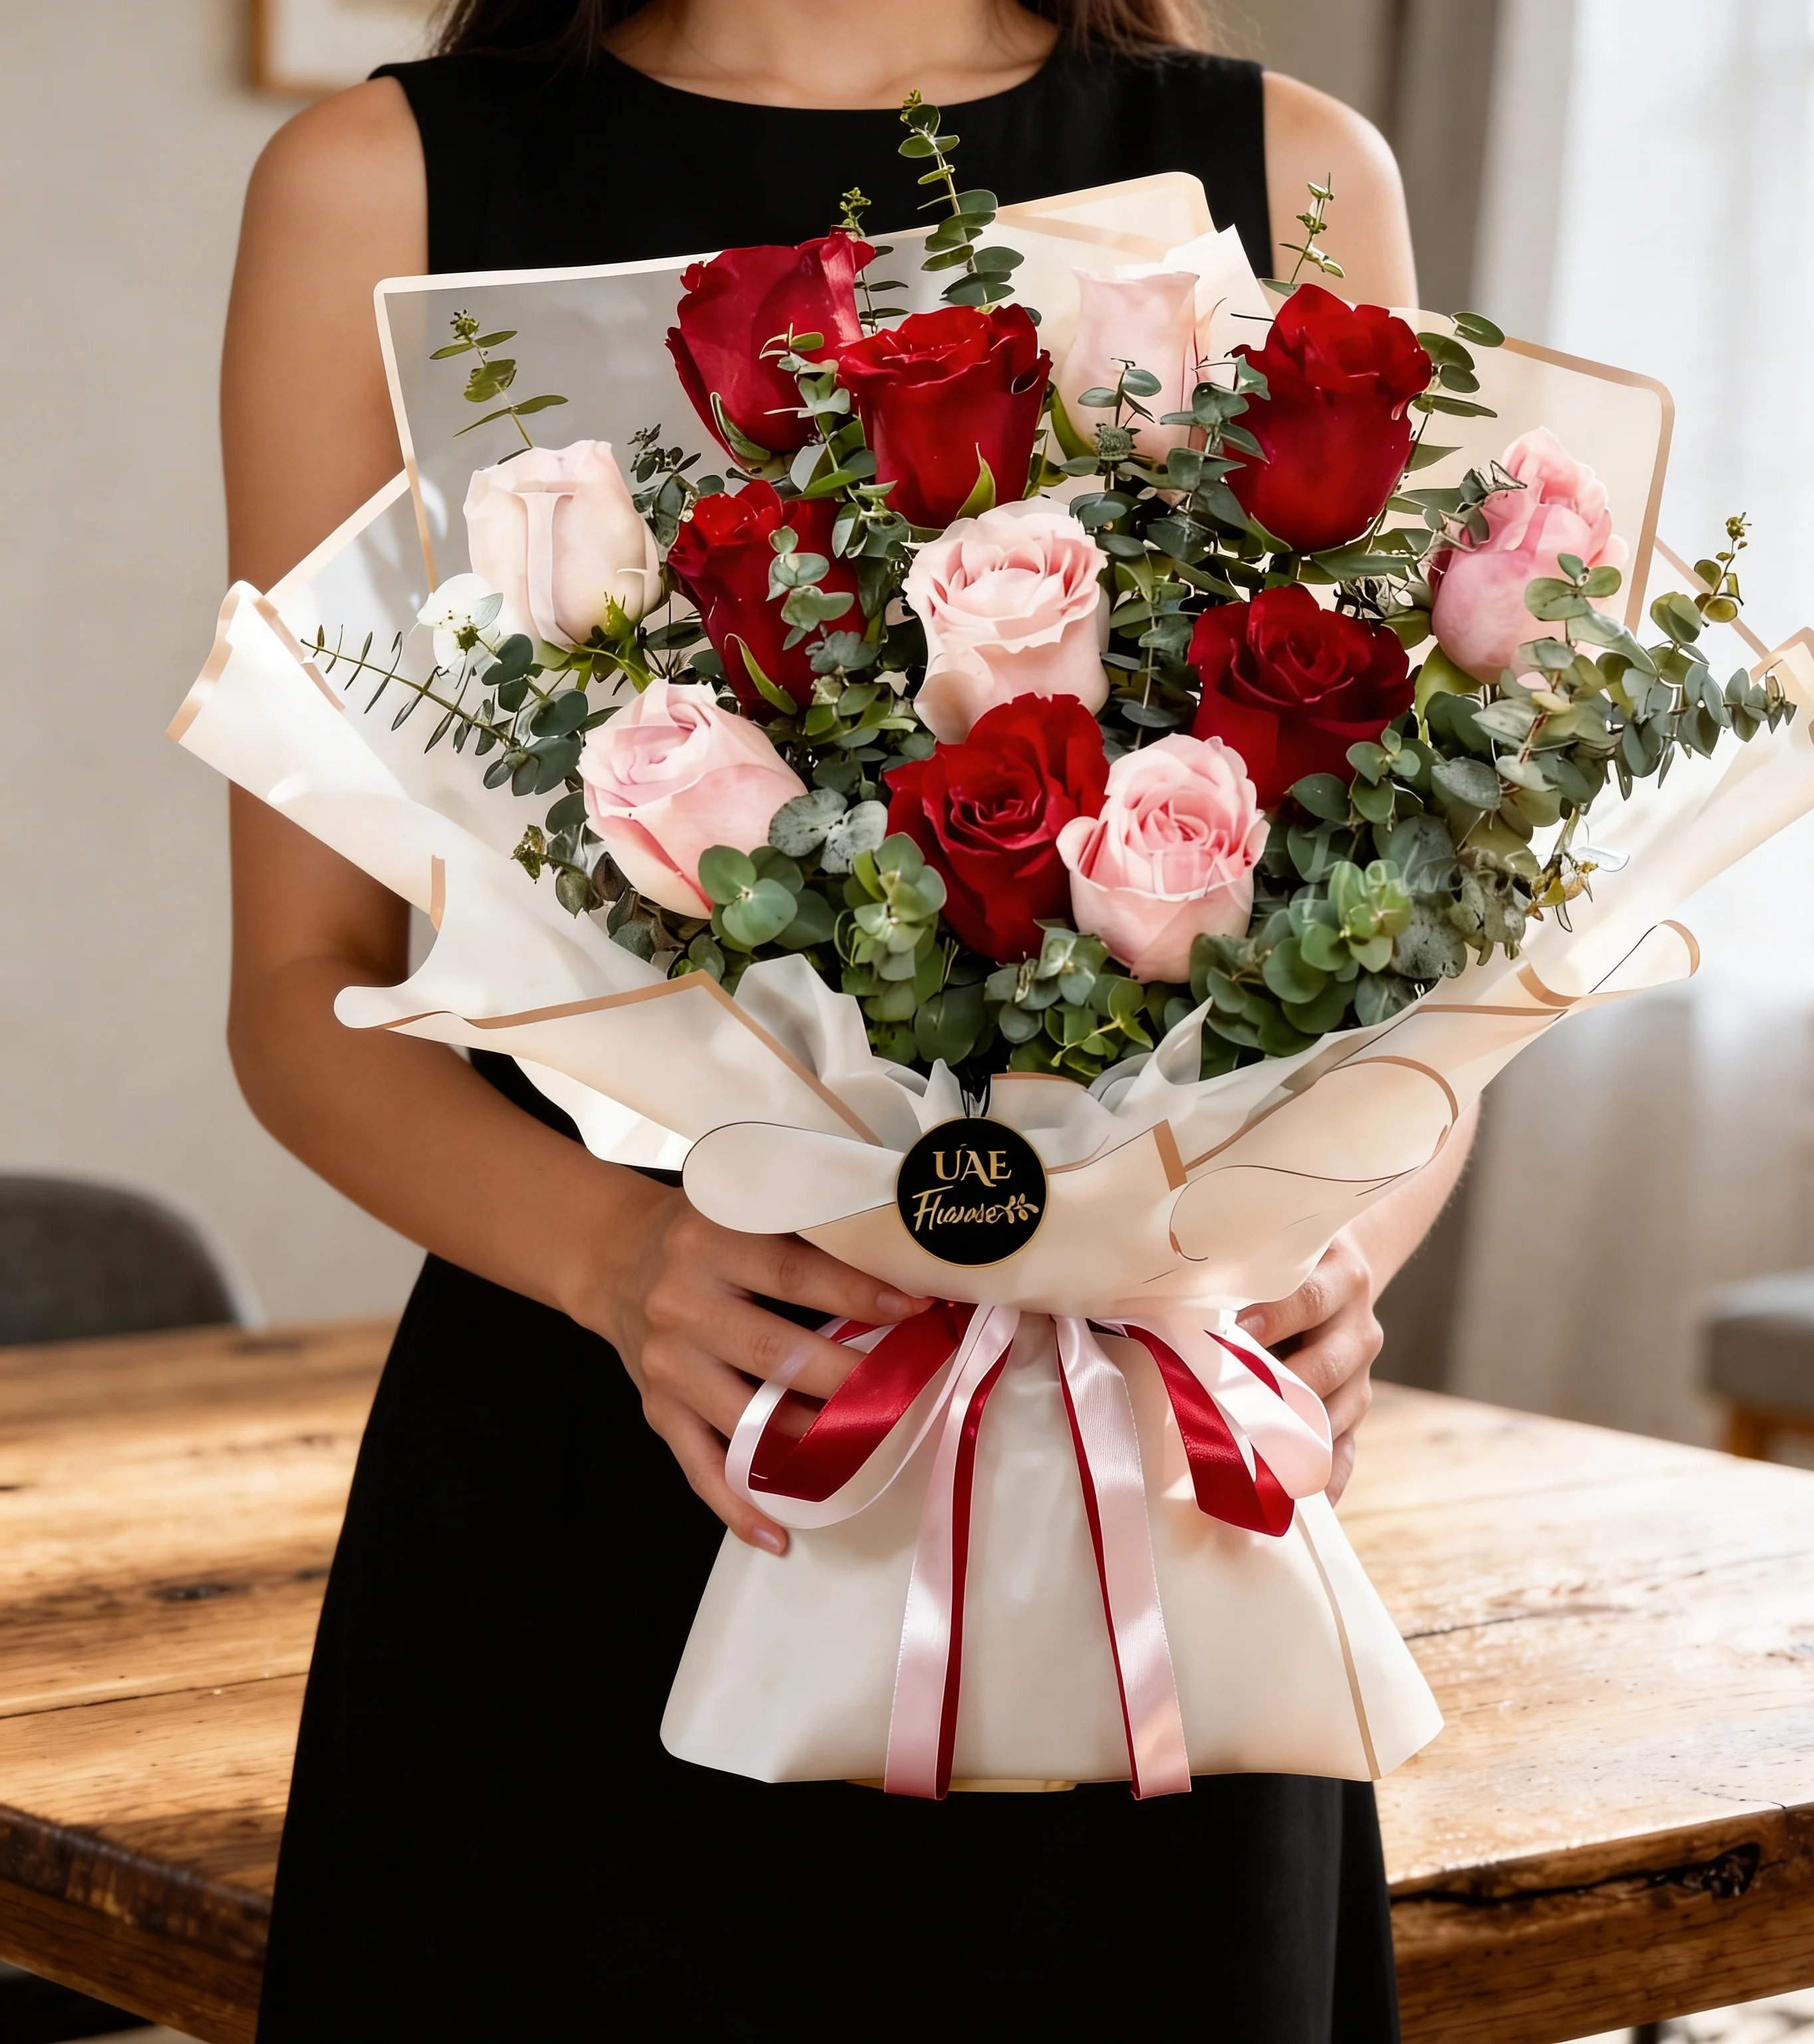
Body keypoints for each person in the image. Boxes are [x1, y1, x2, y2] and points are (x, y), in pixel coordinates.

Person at [222, 1, 1475, 2035]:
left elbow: (1419, 927)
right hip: (621, 1474)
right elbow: (302, 992)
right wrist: (620, 1260)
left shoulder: (1299, 165)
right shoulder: (374, 186)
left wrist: (1330, 1243)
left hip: (1149, 1504)